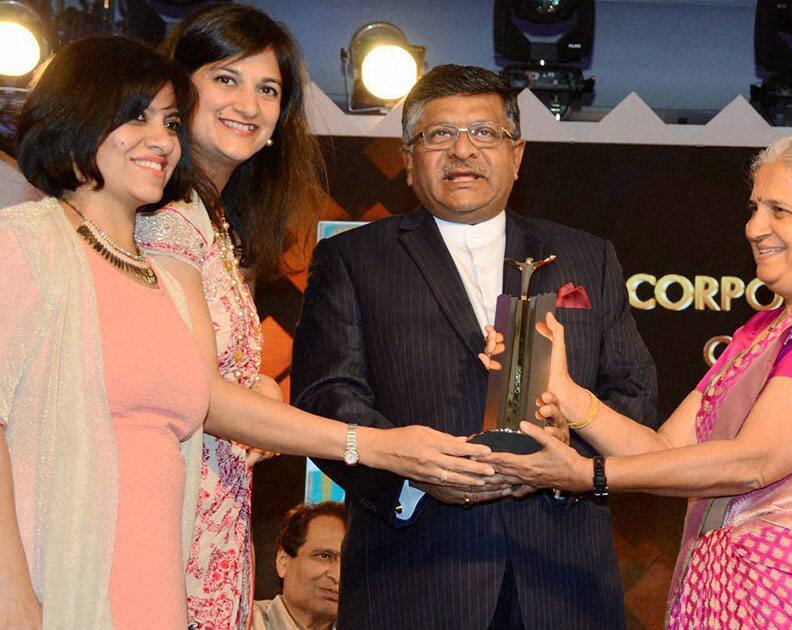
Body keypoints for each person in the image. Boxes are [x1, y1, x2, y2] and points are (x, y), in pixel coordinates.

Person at [0, 36, 492, 630]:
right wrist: (13, 598)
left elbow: (193, 393)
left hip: (169, 567)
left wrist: (257, 386)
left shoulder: (168, 272)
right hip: (64, 570)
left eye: (169, 121)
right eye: (136, 117)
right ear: (75, 118)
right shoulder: (29, 242)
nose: (160, 139)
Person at [483, 134, 792, 628]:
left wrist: (589, 476)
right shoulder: (761, 331)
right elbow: (659, 451)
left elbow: (754, 462)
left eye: (780, 210)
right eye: (755, 207)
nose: (755, 227)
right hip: (736, 593)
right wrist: (568, 394)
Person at [291, 64, 658, 629]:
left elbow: (632, 391)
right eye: (439, 135)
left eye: (484, 133)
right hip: (414, 574)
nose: (463, 150)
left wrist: (571, 456)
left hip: (563, 580)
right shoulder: (353, 259)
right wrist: (414, 475)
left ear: (517, 154)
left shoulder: (587, 257)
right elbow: (326, 397)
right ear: (409, 159)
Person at [134, 5, 326, 626]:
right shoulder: (159, 217)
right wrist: (363, 445)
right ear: (176, 88)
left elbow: (217, 375)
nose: (248, 102)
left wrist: (263, 389)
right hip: (165, 519)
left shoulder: (216, 224)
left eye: (268, 88)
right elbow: (196, 394)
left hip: (216, 513)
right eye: (225, 77)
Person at [252, 502, 345, 630]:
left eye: (348, 564)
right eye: (324, 556)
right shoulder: (235, 620)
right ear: (283, 561)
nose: (338, 576)